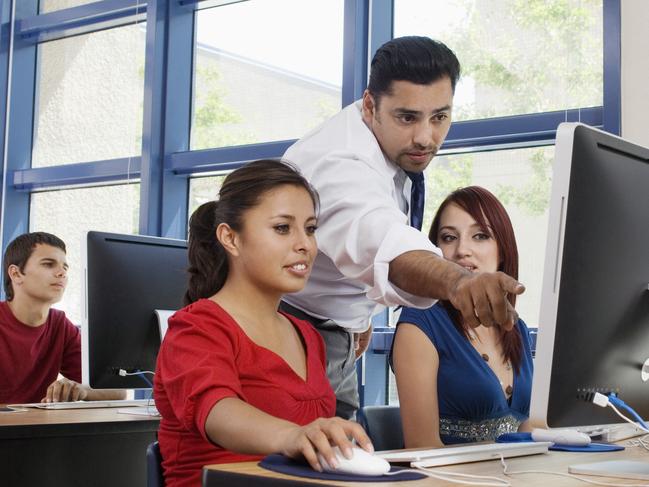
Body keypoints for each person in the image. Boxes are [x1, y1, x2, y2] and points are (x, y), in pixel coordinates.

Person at [281, 36, 524, 419]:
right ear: (369, 106)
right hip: (290, 336)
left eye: (440, 117)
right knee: (303, 473)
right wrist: (459, 283)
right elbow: (384, 241)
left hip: (336, 330)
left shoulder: (391, 145)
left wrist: (360, 315)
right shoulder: (339, 162)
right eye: (407, 117)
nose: (426, 137)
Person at [153, 160, 372, 487]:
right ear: (230, 238)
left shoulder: (308, 336)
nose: (305, 245)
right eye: (283, 228)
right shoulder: (196, 328)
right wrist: (294, 436)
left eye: (310, 229)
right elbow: (218, 412)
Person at [391, 186, 534, 447]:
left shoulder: (518, 329)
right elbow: (423, 448)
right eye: (448, 238)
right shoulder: (420, 324)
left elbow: (529, 431)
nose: (461, 250)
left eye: (479, 236)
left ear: (502, 250)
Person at [0, 232, 126, 404]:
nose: (61, 273)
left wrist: (81, 391)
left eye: (65, 268)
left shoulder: (60, 325)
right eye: (48, 264)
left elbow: (117, 391)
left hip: (35, 428)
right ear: (16, 274)